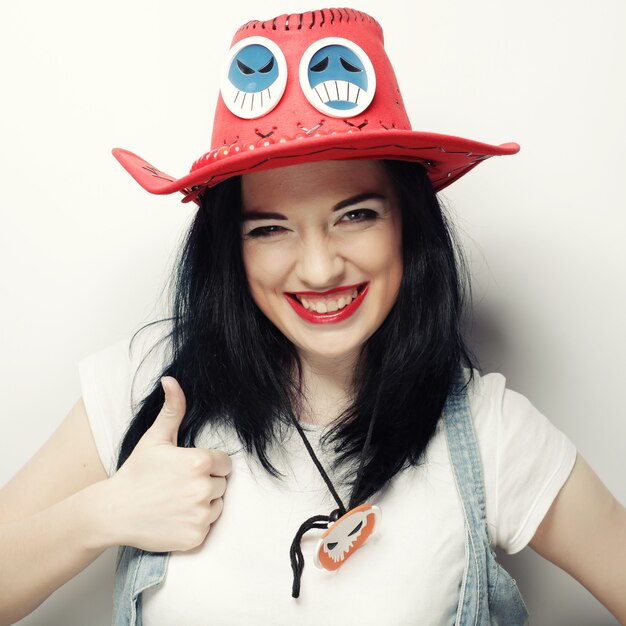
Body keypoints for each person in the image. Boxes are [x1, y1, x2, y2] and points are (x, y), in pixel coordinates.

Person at [0, 7, 624, 626]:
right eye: (271, 229)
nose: (320, 269)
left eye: (356, 215)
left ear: (408, 223)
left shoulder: (489, 433)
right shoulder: (147, 390)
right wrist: (100, 514)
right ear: (230, 249)